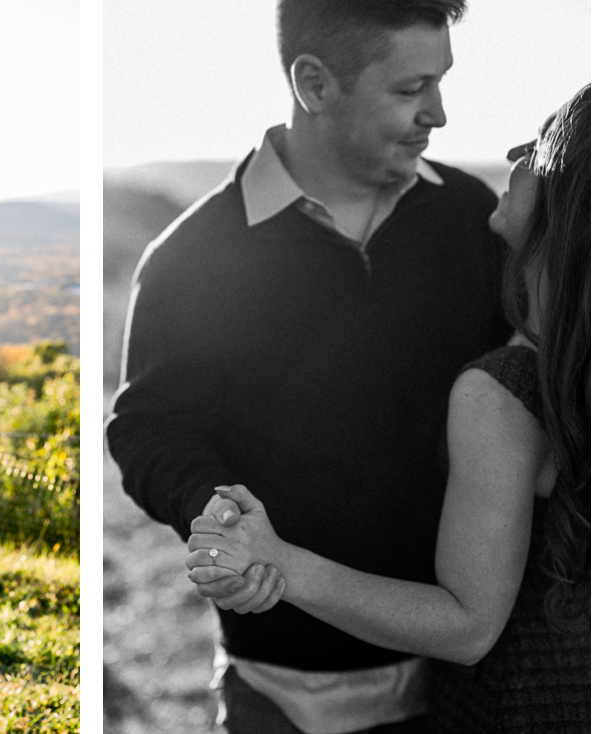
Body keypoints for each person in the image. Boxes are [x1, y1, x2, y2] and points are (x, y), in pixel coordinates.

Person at [104, 1, 513, 731]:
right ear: (314, 84)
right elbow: (149, 432)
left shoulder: (471, 219)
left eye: (441, 82)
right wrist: (221, 520)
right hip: (278, 685)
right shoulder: (193, 259)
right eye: (411, 89)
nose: (440, 114)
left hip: (458, 676)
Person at [189, 85, 591, 732]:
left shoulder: (505, 392)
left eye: (535, 146)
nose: (512, 156)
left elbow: (468, 626)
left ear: (570, 192)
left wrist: (280, 561)